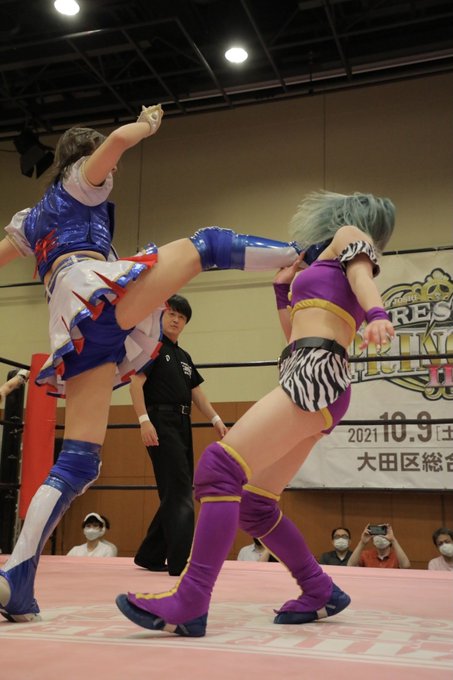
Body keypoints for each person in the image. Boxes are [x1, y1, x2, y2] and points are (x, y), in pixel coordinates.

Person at [0, 104, 301, 623]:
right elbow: (116, 142)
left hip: (74, 324)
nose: (113, 172)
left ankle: (16, 578)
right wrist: (145, 126)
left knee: (80, 461)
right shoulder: (81, 180)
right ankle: (303, 255)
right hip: (93, 294)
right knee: (205, 245)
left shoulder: (32, 218)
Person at [116, 189, 397, 637]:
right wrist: (282, 290)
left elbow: (363, 274)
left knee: (218, 468)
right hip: (312, 372)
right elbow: (293, 336)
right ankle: (319, 589)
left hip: (316, 373)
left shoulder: (349, 236)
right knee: (256, 505)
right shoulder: (326, 269)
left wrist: (378, 312)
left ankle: (191, 600)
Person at [130, 294, 227, 576]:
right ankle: (180, 562)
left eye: (181, 317)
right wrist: (144, 421)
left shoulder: (184, 357)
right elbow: (135, 384)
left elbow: (196, 391)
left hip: (183, 423)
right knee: (180, 490)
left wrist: (215, 418)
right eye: (171, 313)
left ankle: (150, 555)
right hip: (160, 421)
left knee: (177, 489)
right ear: (161, 316)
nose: (175, 320)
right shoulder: (151, 348)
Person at [347, 524, 411, 568]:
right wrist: (362, 542)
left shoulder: (397, 556)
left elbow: (406, 566)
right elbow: (350, 565)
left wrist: (393, 540)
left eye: (384, 534)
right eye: (377, 534)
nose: (381, 536)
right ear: (373, 539)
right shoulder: (365, 555)